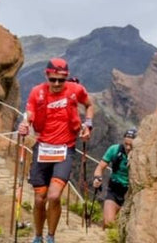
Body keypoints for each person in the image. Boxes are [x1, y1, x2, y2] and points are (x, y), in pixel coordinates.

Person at [16, 58, 94, 243]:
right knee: (39, 199)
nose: (57, 83)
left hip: (65, 149)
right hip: (42, 148)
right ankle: (37, 236)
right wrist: (24, 125)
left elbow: (89, 104)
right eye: (53, 79)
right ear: (47, 76)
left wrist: (88, 124)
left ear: (66, 78)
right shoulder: (37, 92)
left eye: (61, 79)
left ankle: (50, 236)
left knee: (54, 195)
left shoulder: (76, 90)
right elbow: (29, 115)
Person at [91, 128, 134, 227]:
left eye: (130, 145)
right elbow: (100, 167)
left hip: (129, 194)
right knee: (109, 224)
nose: (127, 147)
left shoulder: (140, 155)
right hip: (114, 190)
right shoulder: (114, 150)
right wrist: (97, 178)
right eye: (126, 144)